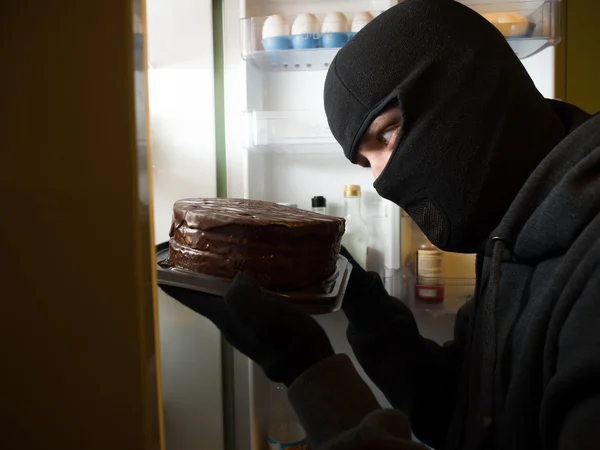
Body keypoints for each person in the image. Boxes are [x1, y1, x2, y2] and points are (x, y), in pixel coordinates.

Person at [160, 0, 600, 449]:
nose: (381, 179)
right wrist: (367, 306)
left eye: (386, 135)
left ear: (470, 89)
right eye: (365, 161)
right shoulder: (511, 232)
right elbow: (461, 409)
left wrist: (304, 365)